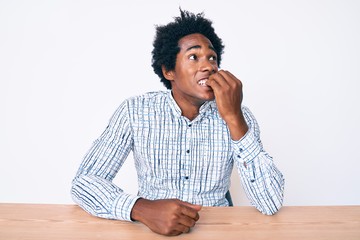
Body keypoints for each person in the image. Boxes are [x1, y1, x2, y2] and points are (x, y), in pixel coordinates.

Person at [71, 9, 285, 236]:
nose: (209, 66)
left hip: (217, 231)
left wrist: (234, 119)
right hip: (149, 231)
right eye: (194, 57)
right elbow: (84, 182)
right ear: (169, 71)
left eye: (212, 58)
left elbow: (270, 202)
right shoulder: (135, 111)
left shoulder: (240, 116)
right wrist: (141, 209)